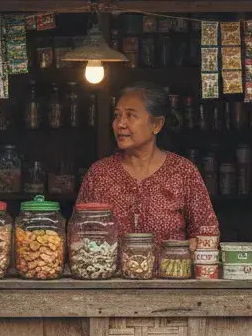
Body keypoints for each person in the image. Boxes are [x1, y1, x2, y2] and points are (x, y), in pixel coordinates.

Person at [76, 80, 219, 247]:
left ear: (156, 124)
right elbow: (79, 233)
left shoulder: (183, 171)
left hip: (170, 272)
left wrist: (183, 254)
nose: (120, 124)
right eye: (117, 115)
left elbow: (207, 232)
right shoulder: (99, 173)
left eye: (130, 115)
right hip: (110, 273)